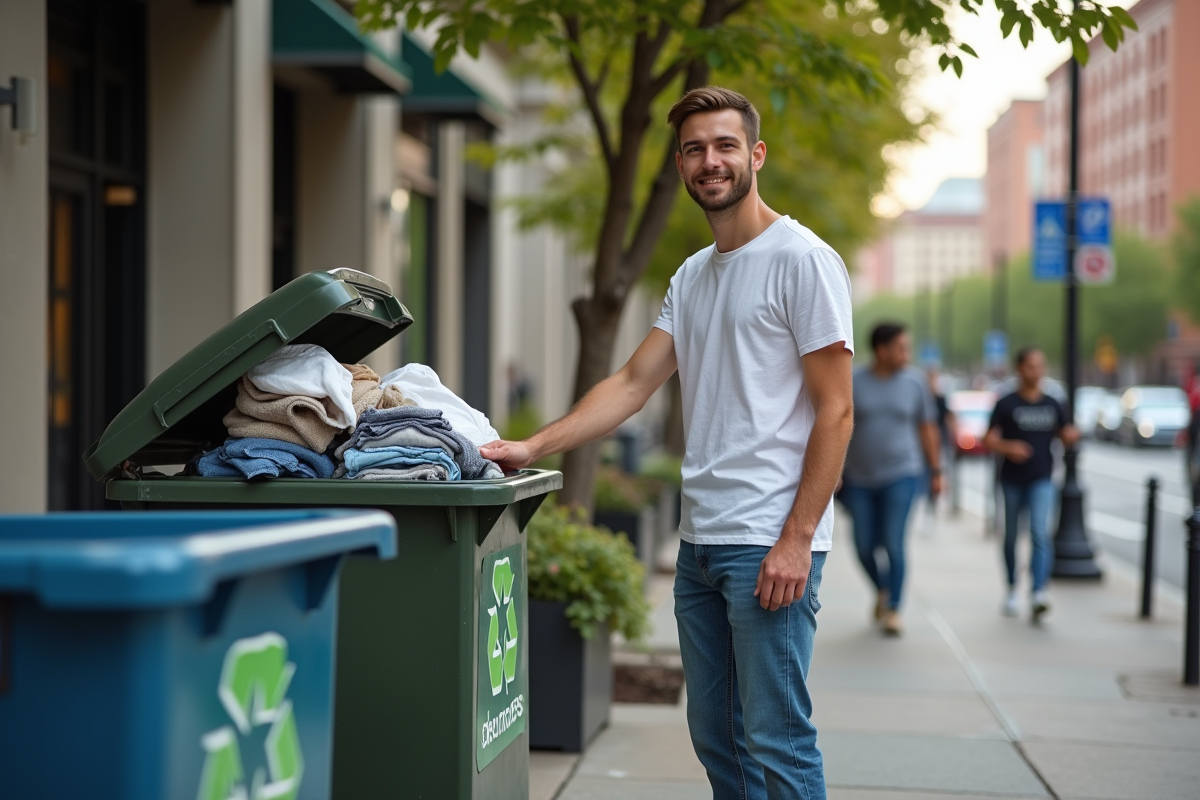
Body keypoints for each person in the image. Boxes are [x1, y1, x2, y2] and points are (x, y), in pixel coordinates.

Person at [480, 86, 854, 800]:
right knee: (718, 738)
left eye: (724, 145)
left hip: (767, 542)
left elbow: (836, 412)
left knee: (777, 739)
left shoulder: (803, 261)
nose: (709, 161)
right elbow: (630, 383)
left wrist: (797, 538)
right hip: (700, 542)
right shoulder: (693, 275)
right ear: (680, 164)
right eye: (694, 149)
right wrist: (535, 444)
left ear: (756, 154)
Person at [839, 323, 942, 636]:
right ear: (881, 350)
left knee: (894, 543)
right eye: (901, 347)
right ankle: (884, 590)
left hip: (902, 474)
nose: (907, 354)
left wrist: (936, 471)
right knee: (863, 545)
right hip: (857, 479)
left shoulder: (915, 382)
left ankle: (894, 608)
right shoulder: (853, 379)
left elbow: (927, 427)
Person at [983, 347, 1079, 621]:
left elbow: (1064, 433)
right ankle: (1012, 588)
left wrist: (1072, 435)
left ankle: (1038, 592)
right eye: (1031, 366)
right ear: (1019, 369)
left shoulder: (1053, 403)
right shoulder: (1006, 403)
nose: (1037, 372)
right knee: (1011, 537)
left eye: (1040, 366)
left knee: (1039, 533)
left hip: (1042, 479)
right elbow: (987, 438)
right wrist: (1007, 446)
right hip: (1012, 480)